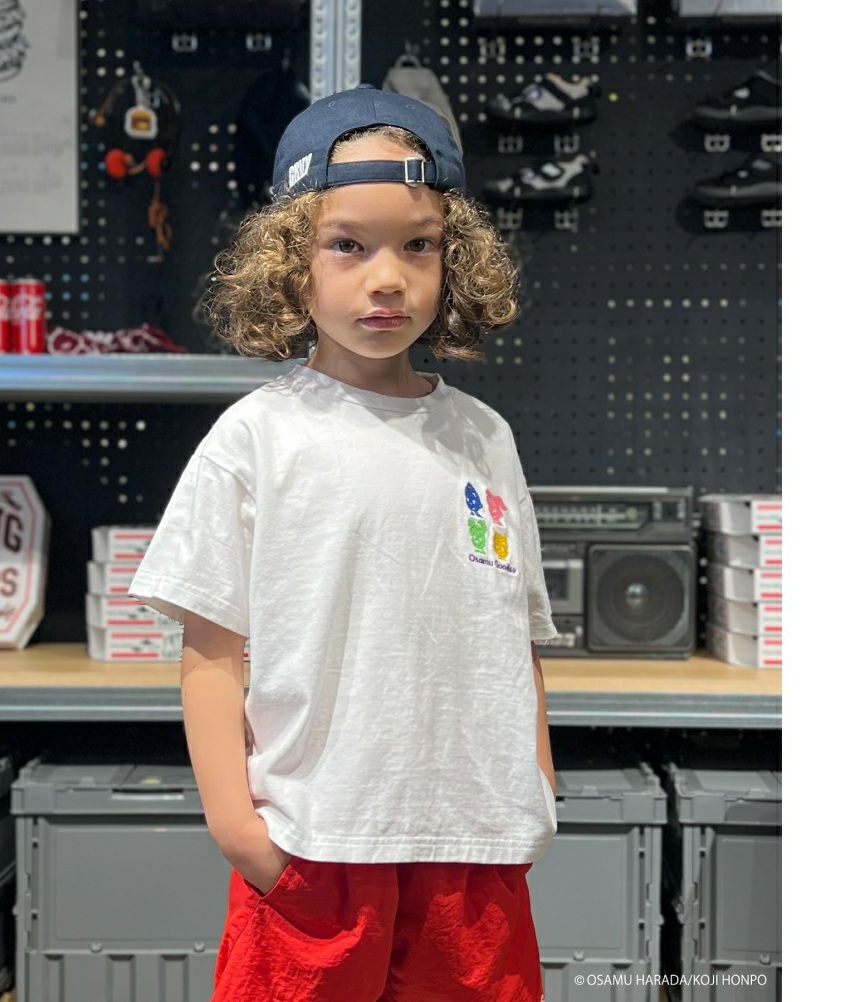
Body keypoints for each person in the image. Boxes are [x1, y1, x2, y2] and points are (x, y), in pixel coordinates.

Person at [129, 83, 559, 1002]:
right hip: (314, 851)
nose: (387, 278)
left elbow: (514, 638)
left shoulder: (484, 437)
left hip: (473, 857)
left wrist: (536, 791)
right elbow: (210, 651)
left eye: (418, 245)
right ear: (292, 263)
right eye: (348, 246)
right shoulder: (259, 437)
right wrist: (242, 835)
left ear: (456, 257)